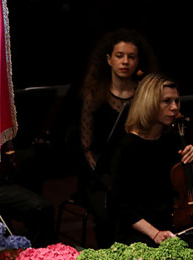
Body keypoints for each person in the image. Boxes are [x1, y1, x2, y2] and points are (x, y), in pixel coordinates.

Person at [79, 29, 157, 247]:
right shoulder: (94, 96)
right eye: (120, 56)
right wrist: (106, 179)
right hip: (99, 178)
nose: (125, 62)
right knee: (109, 213)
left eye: (131, 57)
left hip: (135, 173)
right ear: (109, 60)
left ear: (139, 61)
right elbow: (86, 147)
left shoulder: (145, 96)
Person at [111, 73, 193, 245]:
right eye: (167, 101)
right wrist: (155, 233)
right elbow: (120, 205)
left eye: (177, 101)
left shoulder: (172, 139)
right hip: (140, 232)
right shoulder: (128, 147)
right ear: (149, 103)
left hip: (173, 225)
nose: (174, 107)